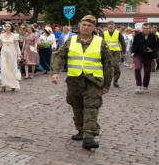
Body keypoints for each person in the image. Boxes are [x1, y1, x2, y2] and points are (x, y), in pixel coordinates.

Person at [51, 15, 113, 150]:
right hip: (74, 80)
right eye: (84, 25)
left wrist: (107, 84)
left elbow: (108, 64)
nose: (86, 27)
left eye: (89, 25)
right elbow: (60, 56)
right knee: (76, 105)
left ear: (94, 28)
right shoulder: (71, 40)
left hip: (93, 81)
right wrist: (55, 72)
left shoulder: (100, 42)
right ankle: (81, 130)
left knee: (92, 107)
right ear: (79, 26)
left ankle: (89, 137)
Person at [130, 23, 159, 93]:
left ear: (150, 29)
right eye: (144, 28)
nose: (145, 30)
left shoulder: (154, 36)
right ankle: (138, 85)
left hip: (149, 56)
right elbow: (134, 45)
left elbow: (158, 47)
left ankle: (145, 86)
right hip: (139, 55)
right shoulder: (138, 36)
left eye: (147, 28)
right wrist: (133, 52)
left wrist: (152, 50)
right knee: (137, 68)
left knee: (147, 72)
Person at [0, 22, 21, 92]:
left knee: (12, 68)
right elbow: (0, 45)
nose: (7, 27)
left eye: (8, 26)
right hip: (4, 52)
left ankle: (13, 84)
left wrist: (19, 55)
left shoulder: (15, 35)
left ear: (11, 27)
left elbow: (16, 46)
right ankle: (3, 85)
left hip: (12, 52)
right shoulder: (1, 35)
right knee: (3, 68)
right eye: (6, 26)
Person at [103, 20, 125, 87]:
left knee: (116, 65)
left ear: (114, 25)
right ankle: (106, 81)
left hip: (116, 51)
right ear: (107, 25)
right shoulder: (104, 33)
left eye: (111, 24)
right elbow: (101, 42)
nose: (110, 25)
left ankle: (115, 80)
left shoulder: (118, 33)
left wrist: (123, 52)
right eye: (109, 24)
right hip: (107, 52)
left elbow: (122, 42)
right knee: (107, 67)